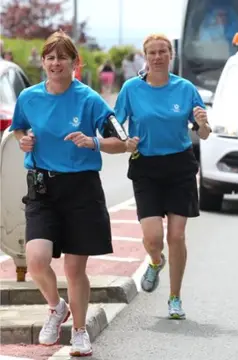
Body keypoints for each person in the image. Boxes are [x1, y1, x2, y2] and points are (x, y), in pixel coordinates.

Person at [9, 30, 127, 357]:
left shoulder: (89, 100)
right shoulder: (29, 98)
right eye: (50, 57)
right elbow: (19, 129)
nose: (56, 63)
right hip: (43, 187)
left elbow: (124, 142)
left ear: (76, 63)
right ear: (43, 62)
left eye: (62, 57)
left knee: (75, 270)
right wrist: (24, 140)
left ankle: (79, 331)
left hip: (81, 189)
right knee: (36, 260)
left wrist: (94, 142)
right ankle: (55, 307)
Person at [114, 33, 212, 319]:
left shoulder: (185, 89)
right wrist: (124, 142)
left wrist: (204, 124)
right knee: (153, 237)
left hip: (180, 166)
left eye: (162, 52)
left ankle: (175, 297)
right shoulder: (131, 89)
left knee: (177, 236)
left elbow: (203, 133)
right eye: (152, 53)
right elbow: (115, 125)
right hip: (145, 167)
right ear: (145, 57)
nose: (157, 57)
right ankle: (155, 262)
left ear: (171, 55)